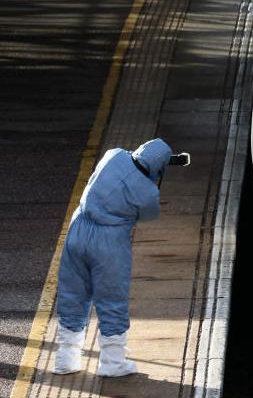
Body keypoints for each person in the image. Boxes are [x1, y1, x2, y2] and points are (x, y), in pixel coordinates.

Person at [52, 138, 173, 376]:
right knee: (111, 299)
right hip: (110, 242)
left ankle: (66, 359)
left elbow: (124, 160)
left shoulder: (113, 155)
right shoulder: (148, 193)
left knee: (72, 294)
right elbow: (148, 215)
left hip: (78, 229)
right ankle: (112, 363)